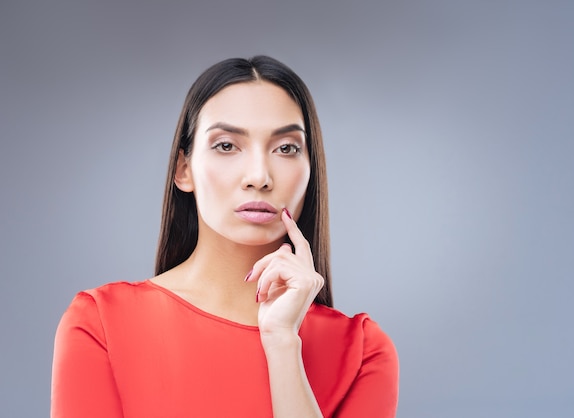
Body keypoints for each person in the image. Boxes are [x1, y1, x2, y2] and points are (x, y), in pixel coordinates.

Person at [51, 55, 399, 417]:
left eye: (286, 148)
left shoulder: (362, 352)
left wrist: (282, 343)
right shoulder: (101, 324)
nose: (259, 176)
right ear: (183, 170)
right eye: (227, 146)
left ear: (311, 171)